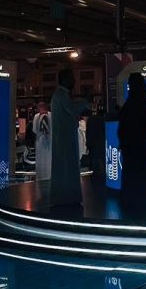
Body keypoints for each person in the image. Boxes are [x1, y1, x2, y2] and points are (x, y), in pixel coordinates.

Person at [118, 72, 146, 212]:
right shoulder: (142, 102)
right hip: (140, 147)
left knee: (132, 174)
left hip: (131, 147)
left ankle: (131, 200)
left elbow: (125, 126)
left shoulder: (131, 103)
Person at [50, 68, 87, 206]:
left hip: (63, 139)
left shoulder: (59, 95)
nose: (74, 81)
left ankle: (65, 197)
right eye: (71, 78)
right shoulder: (61, 95)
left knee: (64, 169)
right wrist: (85, 101)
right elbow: (73, 110)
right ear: (65, 79)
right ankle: (67, 198)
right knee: (67, 169)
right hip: (65, 140)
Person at [33, 101, 52, 181]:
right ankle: (43, 177)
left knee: (46, 159)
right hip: (42, 141)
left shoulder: (50, 116)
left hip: (45, 141)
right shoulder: (37, 116)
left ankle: (45, 177)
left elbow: (34, 130)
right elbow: (35, 130)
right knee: (44, 160)